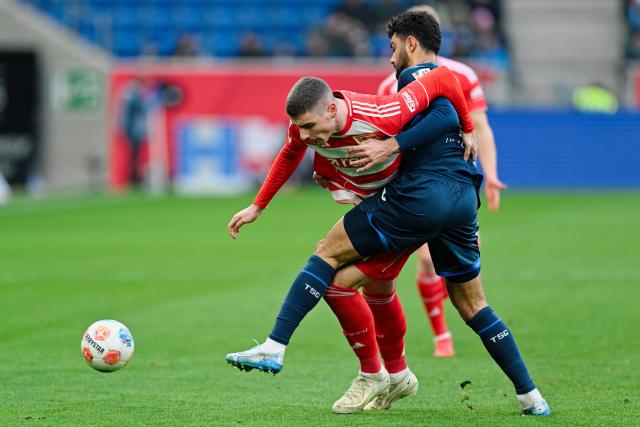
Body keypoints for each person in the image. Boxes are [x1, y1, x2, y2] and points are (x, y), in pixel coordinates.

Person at [226, 12, 549, 416]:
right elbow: (448, 109)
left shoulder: (410, 81)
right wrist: (260, 203)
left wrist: (392, 146)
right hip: (463, 198)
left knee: (327, 253)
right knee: (471, 305)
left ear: (410, 43)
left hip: (419, 197)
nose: (390, 55)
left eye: (393, 45)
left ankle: (278, 347)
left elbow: (443, 103)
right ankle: (530, 396)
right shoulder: (434, 83)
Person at [227, 65, 475, 413]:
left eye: (310, 126)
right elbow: (290, 152)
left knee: (330, 265)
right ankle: (398, 375)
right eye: (300, 127)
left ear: (331, 109)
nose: (306, 134)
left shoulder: (382, 113)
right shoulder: (306, 127)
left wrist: (468, 127)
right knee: (378, 291)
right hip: (376, 208)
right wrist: (258, 205)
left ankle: (345, 365)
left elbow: (445, 81)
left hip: (404, 209)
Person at [376, 4, 507, 358]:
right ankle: (440, 336)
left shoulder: (460, 74)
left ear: (413, 40)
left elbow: (478, 125)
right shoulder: (392, 83)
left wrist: (491, 173)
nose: (392, 53)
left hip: (456, 182)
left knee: (463, 278)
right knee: (424, 262)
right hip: (419, 187)